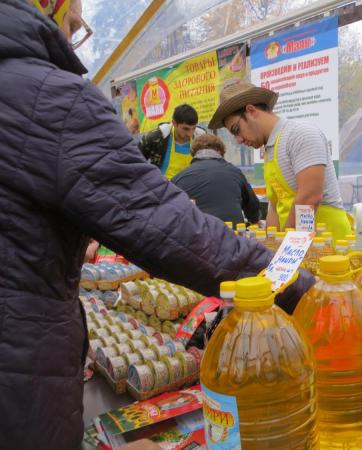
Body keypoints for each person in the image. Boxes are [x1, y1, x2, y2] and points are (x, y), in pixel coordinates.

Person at [0, 1, 313, 448]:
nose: (74, 39)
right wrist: (301, 288)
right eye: (74, 25)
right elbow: (172, 229)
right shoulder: (46, 95)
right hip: (18, 364)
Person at [208, 81, 352, 239]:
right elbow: (275, 207)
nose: (239, 140)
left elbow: (310, 197)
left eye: (237, 130)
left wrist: (284, 246)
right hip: (298, 246)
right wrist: (270, 245)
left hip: (330, 245)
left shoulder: (301, 134)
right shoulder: (270, 149)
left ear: (251, 111)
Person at [172, 133, 260, 227]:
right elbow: (253, 208)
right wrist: (254, 219)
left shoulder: (178, 178)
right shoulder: (234, 172)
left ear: (193, 154)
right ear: (221, 152)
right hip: (232, 236)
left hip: (196, 237)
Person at [138, 103, 206, 179]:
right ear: (174, 123)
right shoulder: (155, 138)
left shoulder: (202, 139)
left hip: (191, 187)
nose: (190, 134)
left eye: (193, 128)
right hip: (162, 187)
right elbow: (135, 162)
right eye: (185, 129)